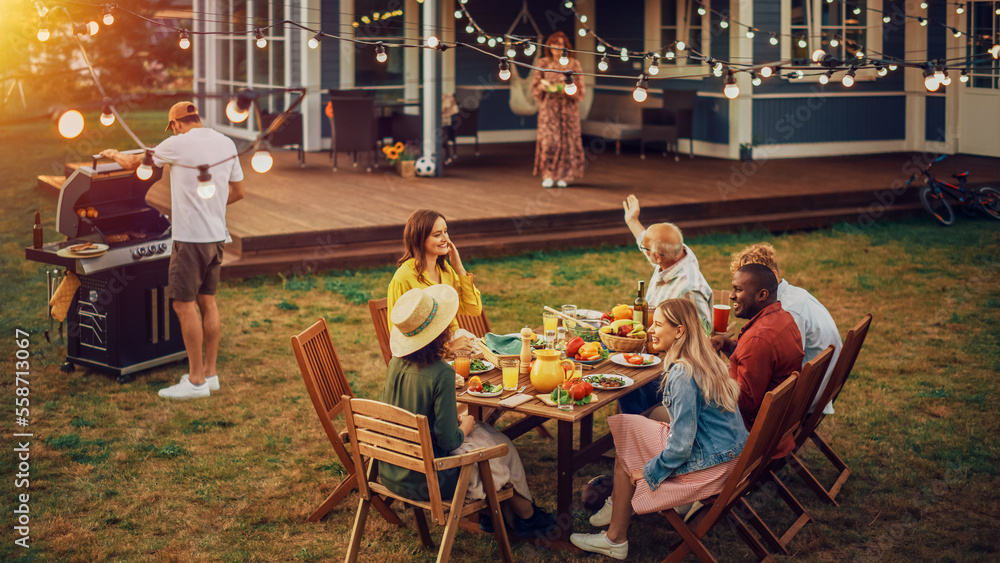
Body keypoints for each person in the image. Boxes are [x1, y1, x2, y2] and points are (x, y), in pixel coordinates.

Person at [569, 299, 748, 560]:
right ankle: (619, 503)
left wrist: (650, 471)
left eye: (658, 324)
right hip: (730, 457)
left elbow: (681, 446)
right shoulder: (705, 359)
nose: (650, 329)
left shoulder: (683, 373)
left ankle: (615, 538)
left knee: (627, 443)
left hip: (711, 469)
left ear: (679, 331)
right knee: (636, 425)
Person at [381, 285, 556, 535]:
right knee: (499, 445)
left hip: (393, 469)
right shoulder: (440, 372)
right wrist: (465, 426)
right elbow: (449, 440)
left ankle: (507, 515)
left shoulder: (396, 363)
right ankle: (525, 517)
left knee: (491, 436)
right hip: (430, 478)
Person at [101, 101, 244, 399]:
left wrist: (114, 154)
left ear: (176, 124)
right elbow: (239, 192)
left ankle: (195, 382)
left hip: (190, 240)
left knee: (182, 304)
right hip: (217, 237)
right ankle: (210, 374)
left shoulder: (177, 144)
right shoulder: (227, 143)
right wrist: (212, 206)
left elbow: (133, 164)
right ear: (197, 119)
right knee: (208, 302)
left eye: (173, 127)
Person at [619, 194, 714, 415]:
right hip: (652, 346)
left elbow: (703, 335)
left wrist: (663, 347)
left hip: (672, 367)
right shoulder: (676, 253)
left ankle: (641, 426)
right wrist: (632, 221)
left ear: (658, 257)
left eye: (645, 250)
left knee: (624, 379)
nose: (643, 251)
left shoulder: (688, 288)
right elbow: (649, 243)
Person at [730, 243, 842, 414]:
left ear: (771, 278)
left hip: (806, 397)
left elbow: (776, 366)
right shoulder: (792, 295)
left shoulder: (788, 312)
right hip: (820, 382)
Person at [711, 264, 804, 456]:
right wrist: (728, 345)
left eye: (738, 289)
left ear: (762, 295)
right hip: (776, 425)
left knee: (661, 411)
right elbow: (758, 358)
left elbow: (743, 402)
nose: (731, 295)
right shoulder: (784, 319)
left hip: (749, 433)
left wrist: (706, 377)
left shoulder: (758, 340)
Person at [387, 209, 481, 354]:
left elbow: (473, 309)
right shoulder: (403, 279)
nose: (445, 239)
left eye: (445, 231)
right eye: (437, 235)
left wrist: (460, 269)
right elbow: (400, 340)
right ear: (419, 240)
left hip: (457, 347)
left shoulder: (445, 270)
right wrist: (448, 348)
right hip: (426, 358)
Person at [531, 31, 585, 189]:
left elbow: (580, 88)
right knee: (550, 142)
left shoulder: (574, 64)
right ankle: (548, 174)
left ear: (565, 47)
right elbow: (535, 85)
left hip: (568, 109)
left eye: (560, 44)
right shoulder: (543, 63)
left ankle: (565, 175)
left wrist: (564, 88)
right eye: (554, 44)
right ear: (549, 46)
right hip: (549, 108)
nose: (556, 47)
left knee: (567, 142)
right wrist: (543, 86)